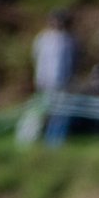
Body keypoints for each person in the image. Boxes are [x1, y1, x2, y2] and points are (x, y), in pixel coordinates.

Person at [32, 9, 78, 146]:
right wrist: (40, 79)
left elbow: (73, 61)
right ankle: (31, 138)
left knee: (61, 113)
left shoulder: (69, 40)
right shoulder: (43, 39)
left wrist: (70, 79)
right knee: (40, 111)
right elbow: (37, 59)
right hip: (45, 82)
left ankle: (54, 141)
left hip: (64, 82)